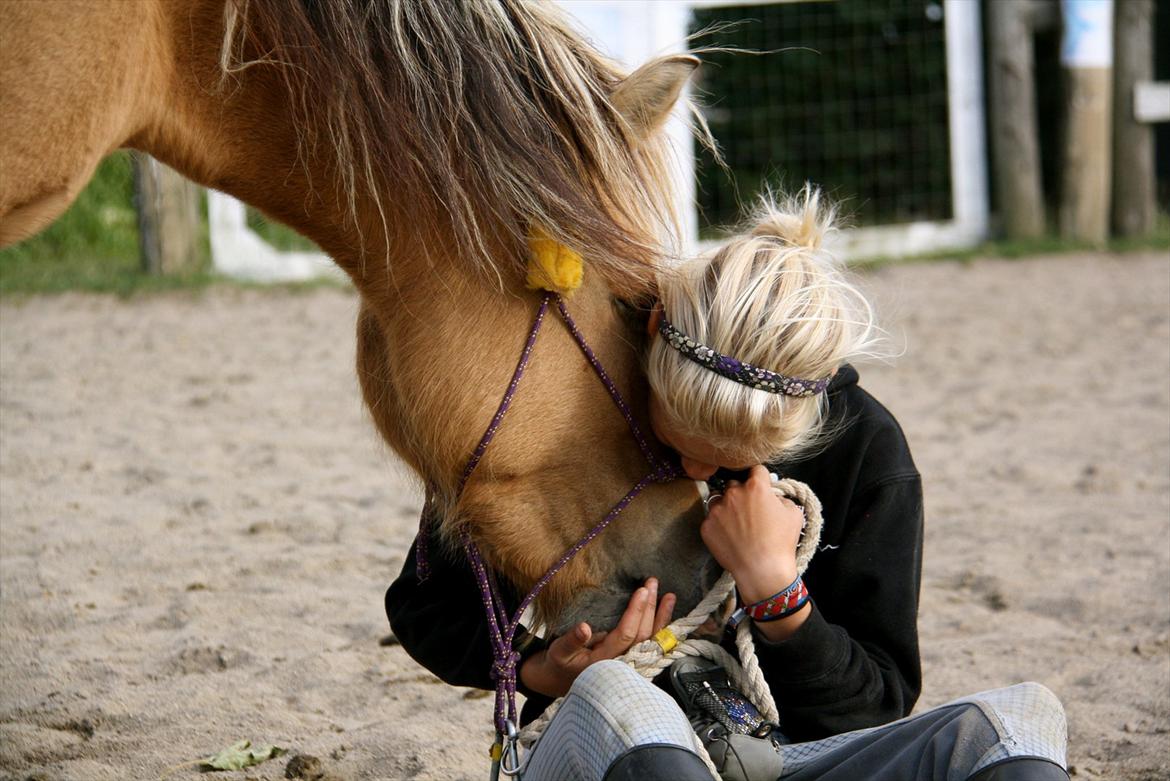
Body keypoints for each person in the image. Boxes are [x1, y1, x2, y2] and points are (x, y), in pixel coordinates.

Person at [386, 188, 1069, 780]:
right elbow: (428, 605)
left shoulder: (864, 446)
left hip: (796, 757)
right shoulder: (572, 407)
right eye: (676, 443)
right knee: (625, 703)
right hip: (619, 745)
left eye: (729, 460)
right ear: (655, 334)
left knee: (1021, 719)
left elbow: (875, 707)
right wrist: (541, 670)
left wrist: (777, 590)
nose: (695, 474)